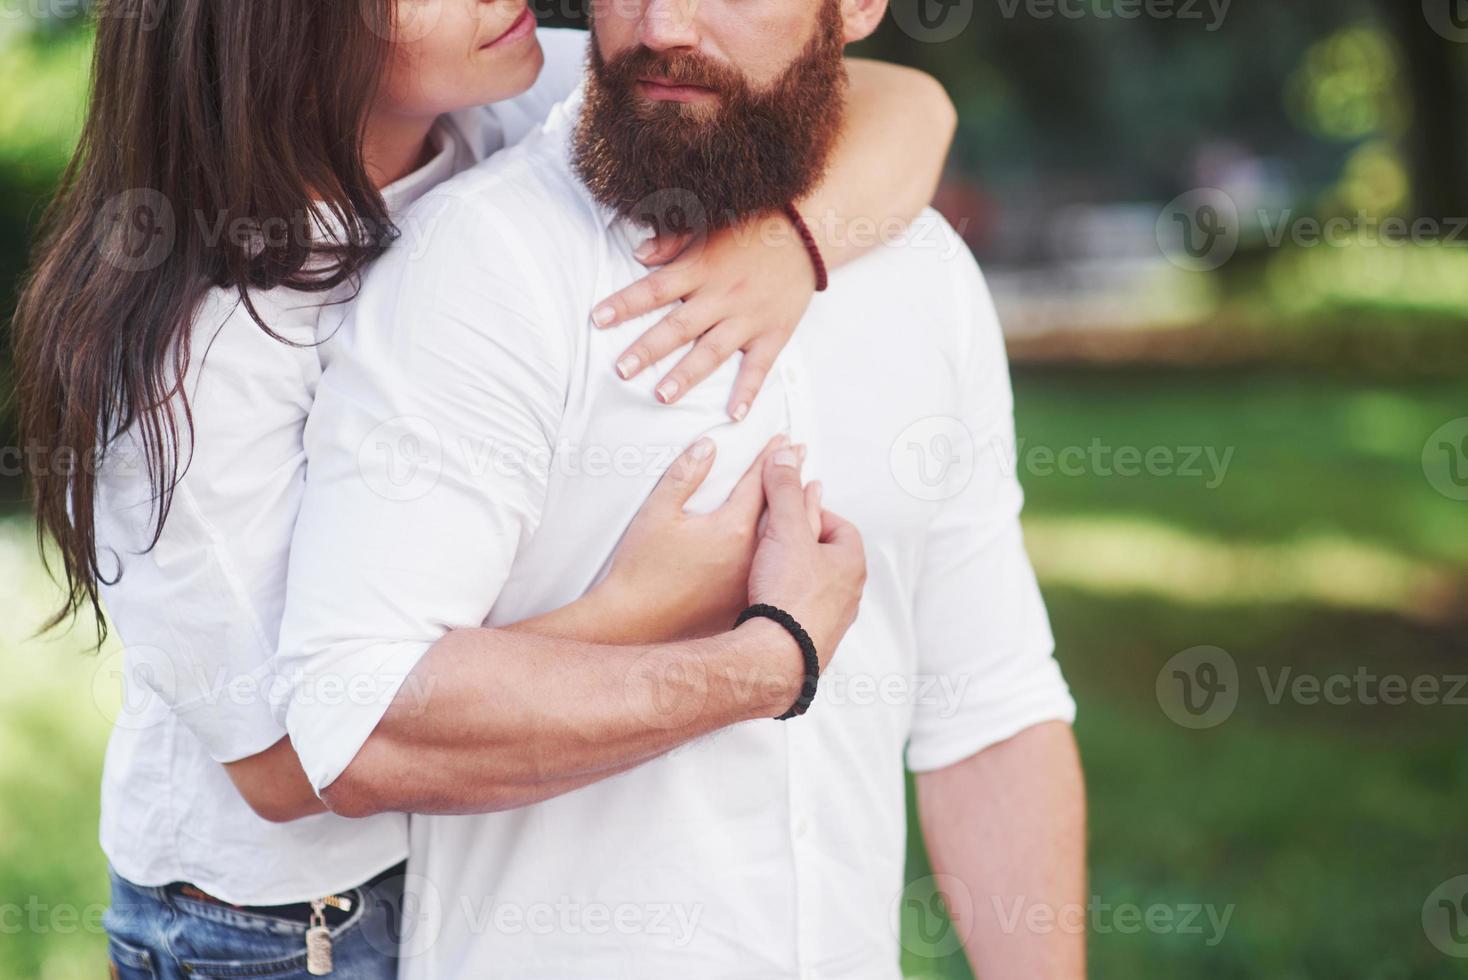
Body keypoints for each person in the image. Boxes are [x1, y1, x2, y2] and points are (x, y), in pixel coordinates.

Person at [9, 3, 957, 977]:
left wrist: (787, 248)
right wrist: (639, 608)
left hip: (468, 851)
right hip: (283, 926)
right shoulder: (198, 361)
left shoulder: (492, 96)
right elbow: (290, 768)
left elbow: (904, 99)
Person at [271, 0, 1086, 976]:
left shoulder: (924, 274)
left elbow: (990, 711)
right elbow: (358, 724)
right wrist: (763, 663)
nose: (661, 25)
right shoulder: (486, 265)